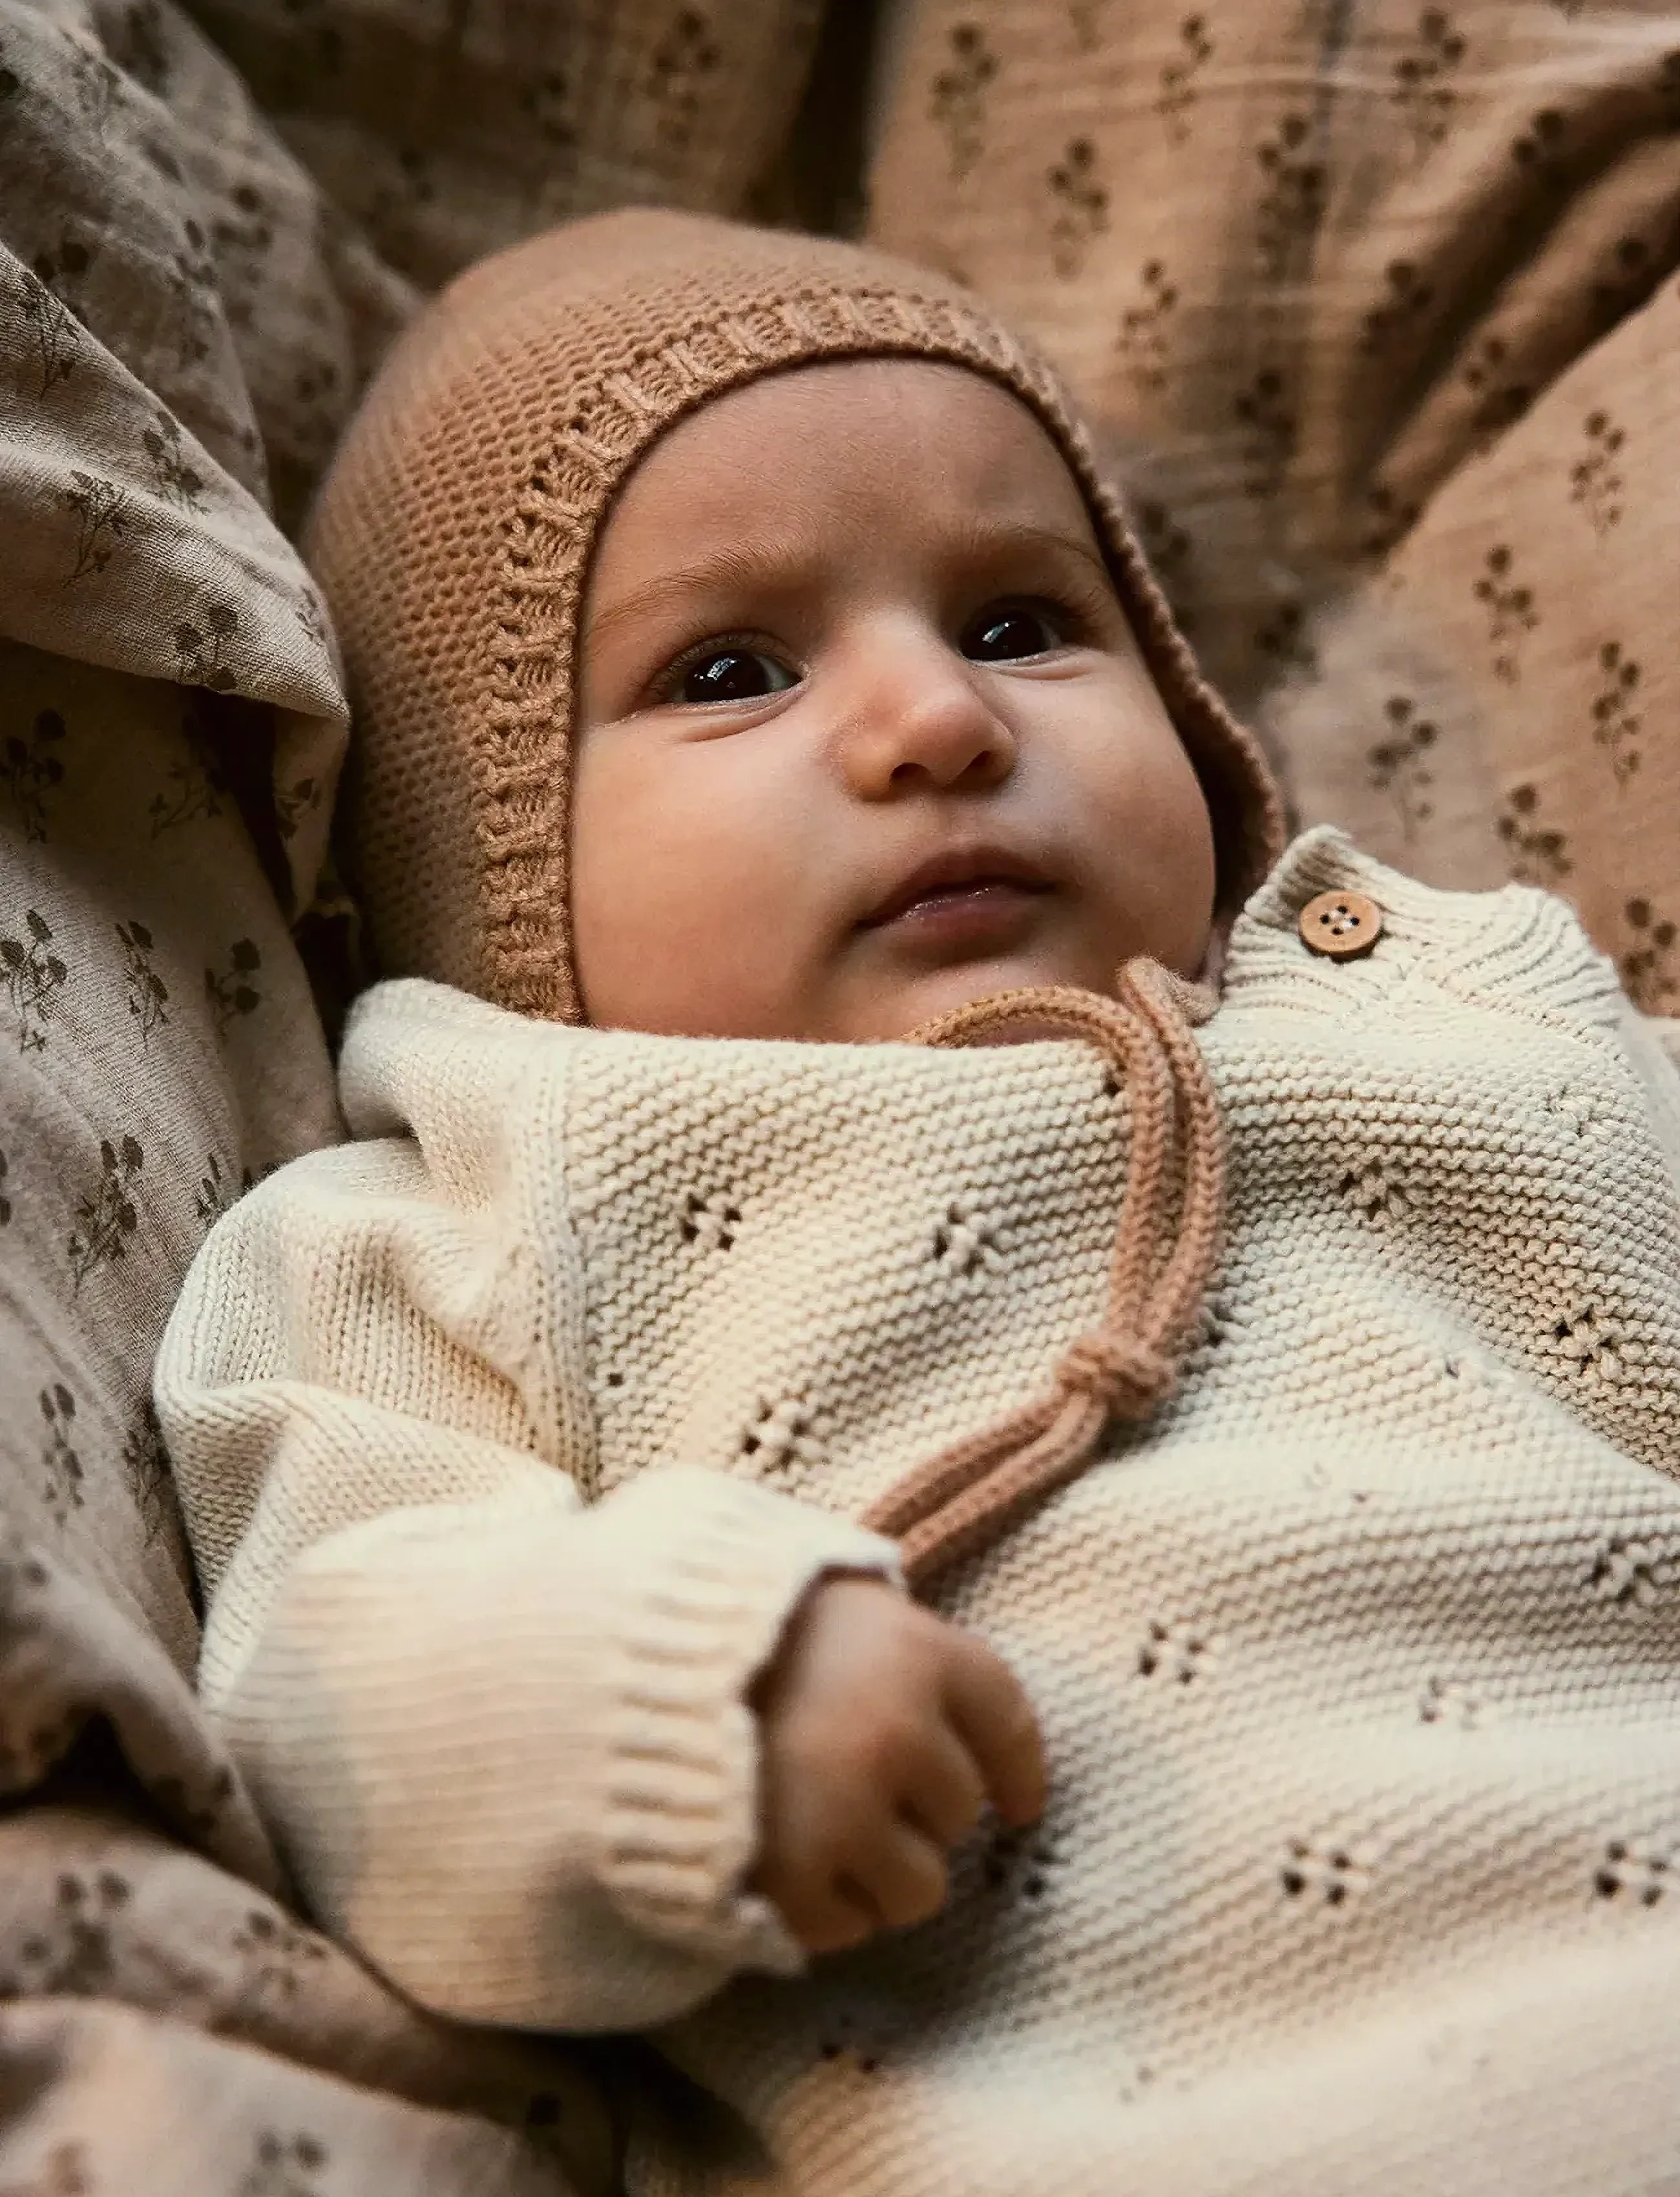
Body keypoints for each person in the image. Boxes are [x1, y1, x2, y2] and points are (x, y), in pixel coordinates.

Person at [156, 211, 1680, 2196]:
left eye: (1020, 625)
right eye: (731, 670)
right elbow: (324, 1673)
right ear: (482, 859)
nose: (943, 722)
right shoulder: (451, 1212)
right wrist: (683, 1695)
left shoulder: (1477, 1010)